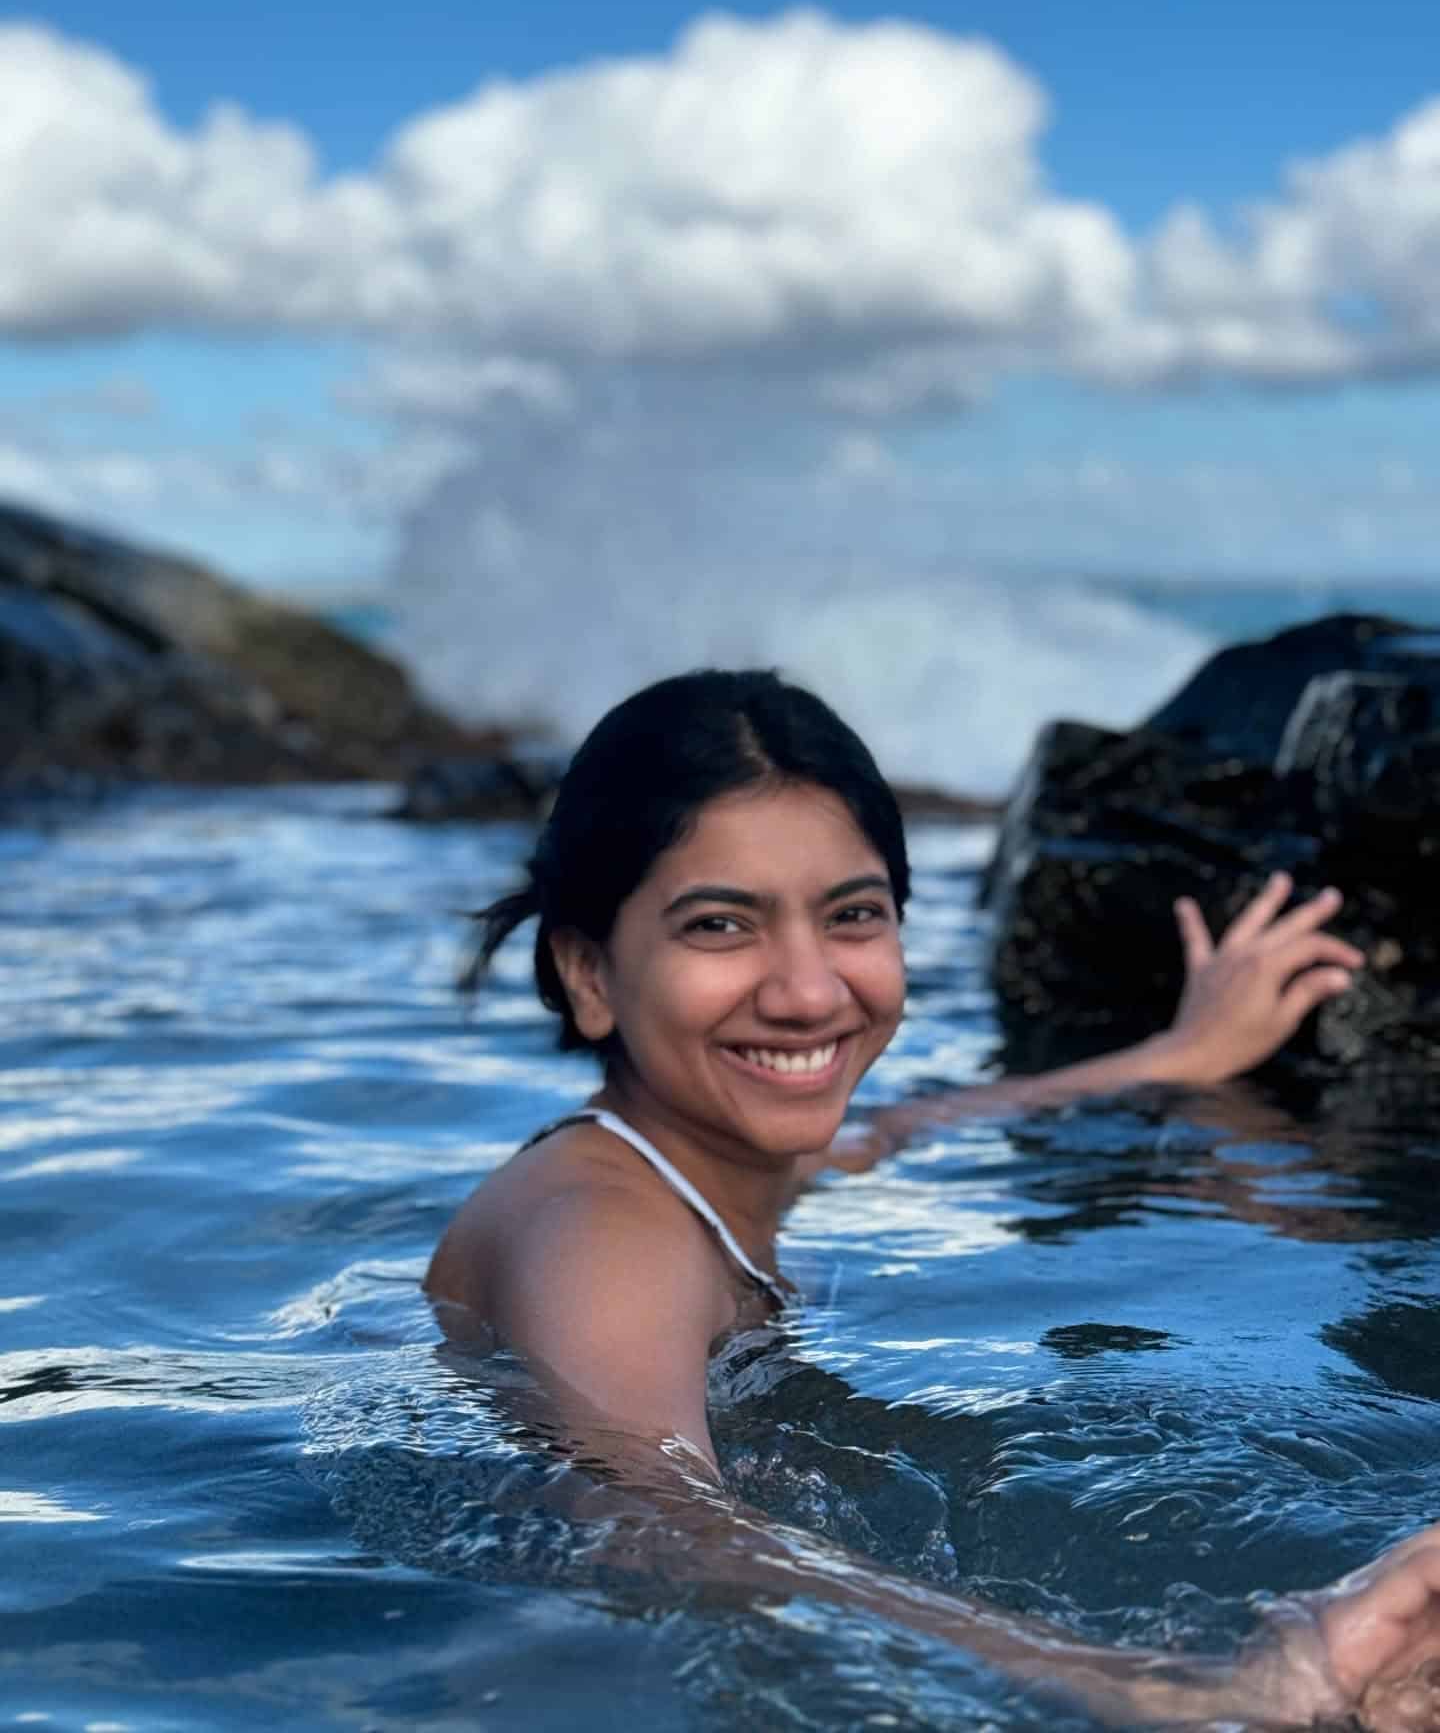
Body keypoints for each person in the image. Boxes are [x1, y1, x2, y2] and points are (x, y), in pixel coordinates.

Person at [426, 668, 1440, 1731]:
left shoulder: (679, 1171)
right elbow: (659, 1529)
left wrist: (1174, 1058)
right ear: (589, 971)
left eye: (852, 916)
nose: (810, 990)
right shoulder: (604, 1235)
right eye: (722, 926)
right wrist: (1185, 1689)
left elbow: (890, 1133)